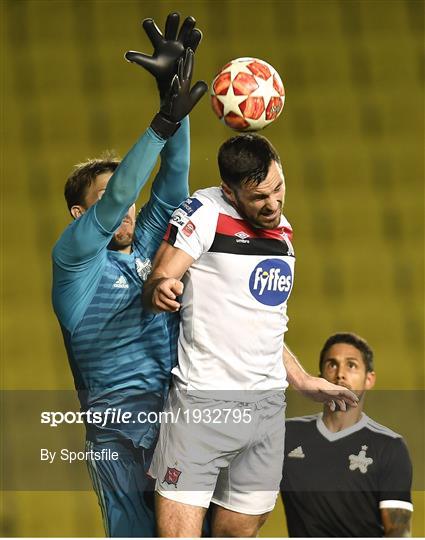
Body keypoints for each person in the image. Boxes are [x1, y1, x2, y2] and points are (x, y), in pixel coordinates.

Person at [142, 134, 359, 537]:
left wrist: (301, 380)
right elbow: (160, 276)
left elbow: (265, 322)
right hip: (204, 406)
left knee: (240, 530)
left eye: (278, 188)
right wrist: (160, 288)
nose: (273, 203)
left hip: (266, 410)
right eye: (259, 196)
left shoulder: (283, 233)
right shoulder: (204, 212)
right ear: (230, 190)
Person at [51, 13, 207, 537]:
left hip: (177, 427)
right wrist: (161, 123)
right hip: (116, 442)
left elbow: (174, 178)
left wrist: (175, 98)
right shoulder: (73, 262)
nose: (127, 210)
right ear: (80, 215)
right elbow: (120, 195)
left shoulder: (144, 246)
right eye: (107, 203)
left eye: (131, 203)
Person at [280, 332, 413, 537]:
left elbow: (398, 533)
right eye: (332, 364)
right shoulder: (287, 435)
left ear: (369, 379)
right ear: (320, 376)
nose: (340, 373)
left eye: (351, 365)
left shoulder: (390, 446)